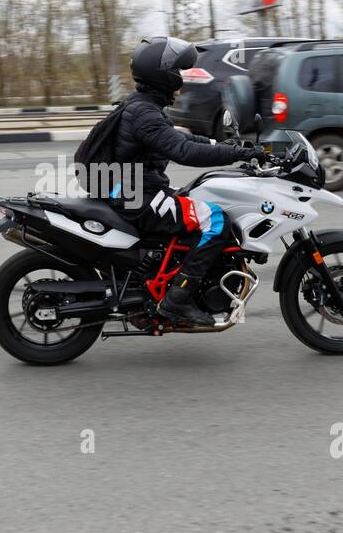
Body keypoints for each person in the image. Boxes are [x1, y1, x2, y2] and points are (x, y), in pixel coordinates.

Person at [113, 36, 266, 326]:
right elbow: (183, 151)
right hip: (138, 196)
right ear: (164, 75)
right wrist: (233, 154)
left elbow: (183, 139)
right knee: (217, 222)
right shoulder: (145, 113)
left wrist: (230, 145)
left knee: (194, 203)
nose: (181, 79)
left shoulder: (144, 106)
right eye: (178, 72)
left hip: (134, 189)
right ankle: (177, 302)